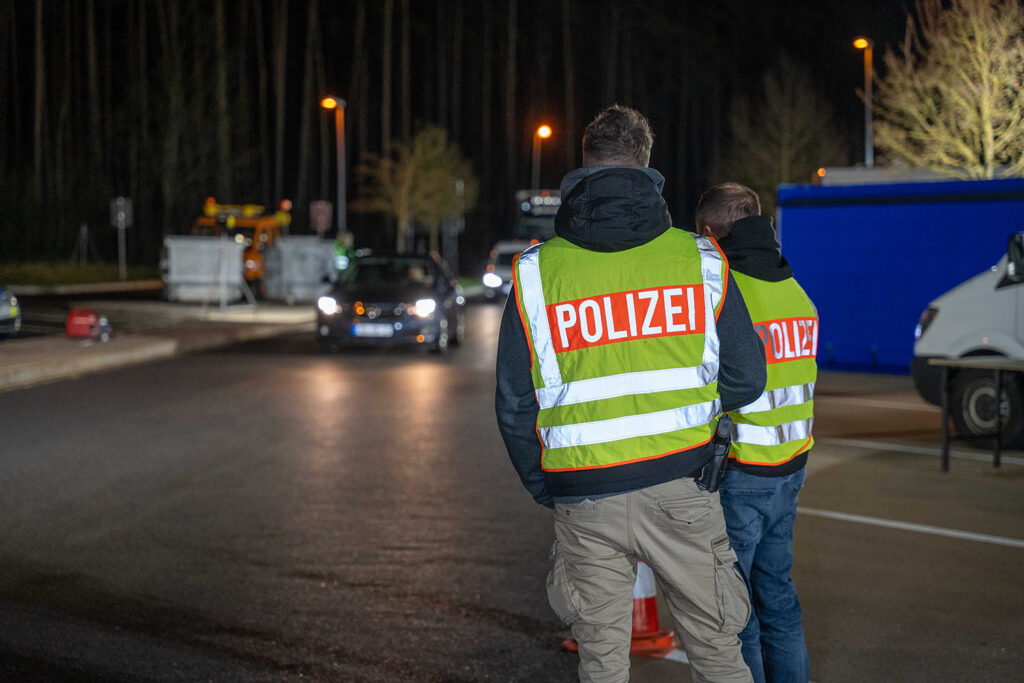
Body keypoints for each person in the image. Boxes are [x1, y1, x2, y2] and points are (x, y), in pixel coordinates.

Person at [495, 105, 767, 683]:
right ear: (647, 164)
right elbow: (747, 378)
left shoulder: (536, 273)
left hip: (584, 494)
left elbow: (515, 404)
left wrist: (546, 483)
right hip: (684, 489)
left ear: (584, 165)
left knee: (602, 664)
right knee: (718, 653)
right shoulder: (699, 258)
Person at [694, 183, 817, 683]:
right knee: (779, 599)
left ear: (710, 233)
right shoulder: (794, 290)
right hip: (791, 469)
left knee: (735, 612)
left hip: (743, 471)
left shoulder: (729, 294)